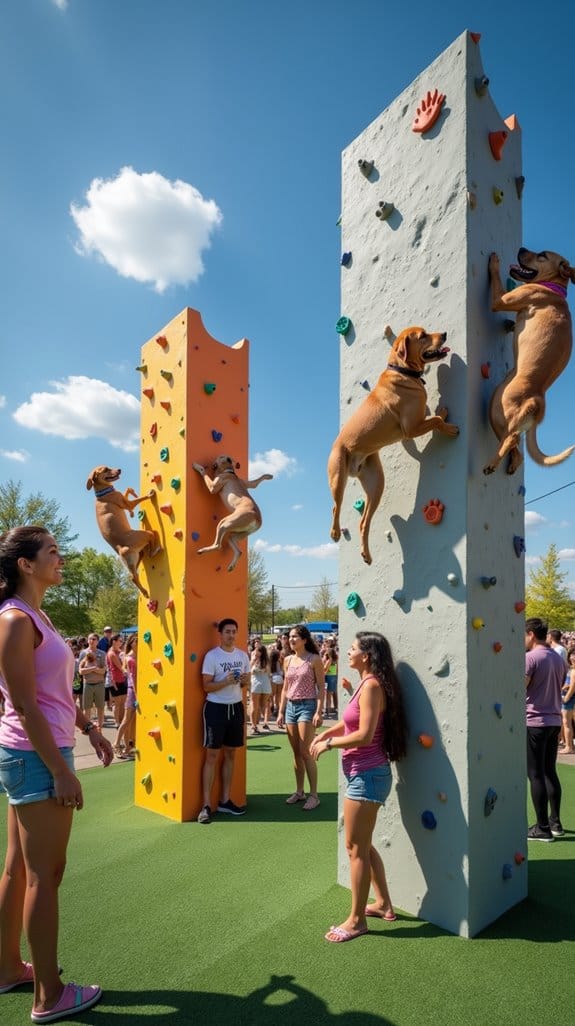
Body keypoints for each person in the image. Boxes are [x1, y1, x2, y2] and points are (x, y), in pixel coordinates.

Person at [0, 526, 113, 1022]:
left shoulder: (33, 614)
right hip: (36, 755)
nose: (61, 557)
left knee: (18, 869)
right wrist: (60, 772)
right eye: (52, 551)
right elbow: (24, 704)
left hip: (34, 752)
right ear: (25, 564)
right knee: (45, 876)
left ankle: (7, 970)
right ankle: (49, 995)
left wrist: (89, 727)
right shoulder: (15, 619)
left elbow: (52, 693)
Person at [310, 631, 407, 942]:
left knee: (355, 848)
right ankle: (383, 904)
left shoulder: (373, 686)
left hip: (368, 775)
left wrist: (331, 744)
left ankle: (356, 921)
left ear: (366, 655)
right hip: (361, 773)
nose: (346, 652)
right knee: (362, 845)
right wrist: (326, 734)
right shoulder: (366, 684)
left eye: (351, 649)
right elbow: (350, 723)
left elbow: (364, 735)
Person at [197, 618, 250, 824]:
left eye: (234, 631)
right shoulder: (212, 656)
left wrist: (244, 681)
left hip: (236, 707)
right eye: (227, 631)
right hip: (215, 708)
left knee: (231, 754)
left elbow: (246, 683)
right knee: (211, 756)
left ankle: (225, 801)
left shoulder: (243, 655)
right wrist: (225, 681)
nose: (231, 635)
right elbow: (206, 686)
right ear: (220, 633)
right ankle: (206, 805)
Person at [525, 617, 566, 841]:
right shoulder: (559, 659)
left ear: (531, 634)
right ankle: (555, 822)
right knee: (550, 771)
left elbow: (520, 689)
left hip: (535, 722)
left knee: (535, 774)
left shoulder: (530, 658)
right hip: (554, 721)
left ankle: (542, 828)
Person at [276, 625, 325, 811]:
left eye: (295, 636)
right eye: (290, 637)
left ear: (305, 639)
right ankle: (300, 791)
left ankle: (314, 795)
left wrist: (319, 711)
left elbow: (321, 687)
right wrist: (280, 711)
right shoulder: (287, 660)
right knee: (296, 752)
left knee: (305, 752)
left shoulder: (314, 659)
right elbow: (285, 688)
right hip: (291, 707)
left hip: (307, 706)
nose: (291, 639)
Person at [114, 635, 138, 758]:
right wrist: (137, 694)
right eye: (136, 641)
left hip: (138, 691)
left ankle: (129, 746)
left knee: (133, 720)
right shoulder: (130, 658)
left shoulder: (139, 656)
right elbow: (133, 679)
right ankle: (117, 744)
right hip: (132, 691)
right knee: (126, 719)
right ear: (132, 643)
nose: (139, 644)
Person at [78, 633, 106, 729]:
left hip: (99, 684)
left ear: (97, 641)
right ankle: (87, 727)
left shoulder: (101, 653)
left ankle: (100, 727)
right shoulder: (83, 653)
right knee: (87, 708)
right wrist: (94, 668)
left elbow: (103, 671)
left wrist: (92, 669)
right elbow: (81, 671)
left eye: (94, 639)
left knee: (100, 707)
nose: (91, 641)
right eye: (89, 639)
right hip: (88, 684)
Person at [249, 639, 271, 734]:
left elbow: (269, 672)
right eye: (256, 650)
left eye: (259, 650)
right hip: (255, 683)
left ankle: (265, 722)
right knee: (254, 704)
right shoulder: (252, 658)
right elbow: (248, 670)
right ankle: (253, 726)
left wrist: (264, 667)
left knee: (264, 705)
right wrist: (253, 661)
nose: (256, 652)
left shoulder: (266, 660)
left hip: (265, 683)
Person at [106, 634, 127, 731]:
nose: (121, 643)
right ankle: (117, 722)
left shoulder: (120, 652)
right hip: (114, 681)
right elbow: (121, 667)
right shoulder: (111, 653)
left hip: (122, 679)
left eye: (122, 641)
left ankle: (122, 721)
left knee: (123, 702)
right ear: (114, 641)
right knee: (117, 703)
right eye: (120, 641)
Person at [560, 646, 575, 755]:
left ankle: (568, 746)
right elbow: (570, 684)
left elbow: (573, 686)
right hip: (568, 697)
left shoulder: (574, 670)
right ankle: (570, 745)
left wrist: (566, 698)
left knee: (566, 723)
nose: (573, 657)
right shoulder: (571, 669)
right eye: (571, 655)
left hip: (569, 699)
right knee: (567, 722)